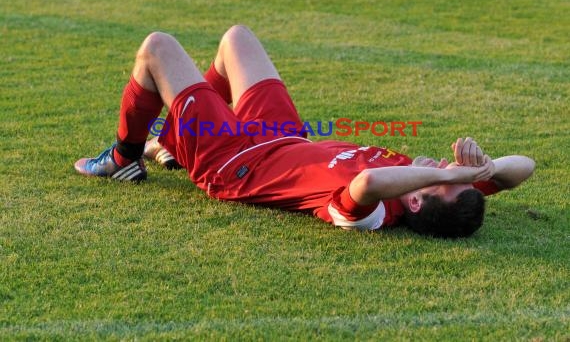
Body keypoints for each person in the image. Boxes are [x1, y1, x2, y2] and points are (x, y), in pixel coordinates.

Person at [74, 25, 535, 237]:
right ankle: (172, 144)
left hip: (234, 163)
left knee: (157, 48)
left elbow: (367, 182)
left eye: (443, 178)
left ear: (416, 200)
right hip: (282, 135)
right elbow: (525, 168)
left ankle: (123, 156)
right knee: (237, 39)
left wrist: (456, 176)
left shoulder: (376, 214)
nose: (443, 165)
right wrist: (487, 169)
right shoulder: (435, 189)